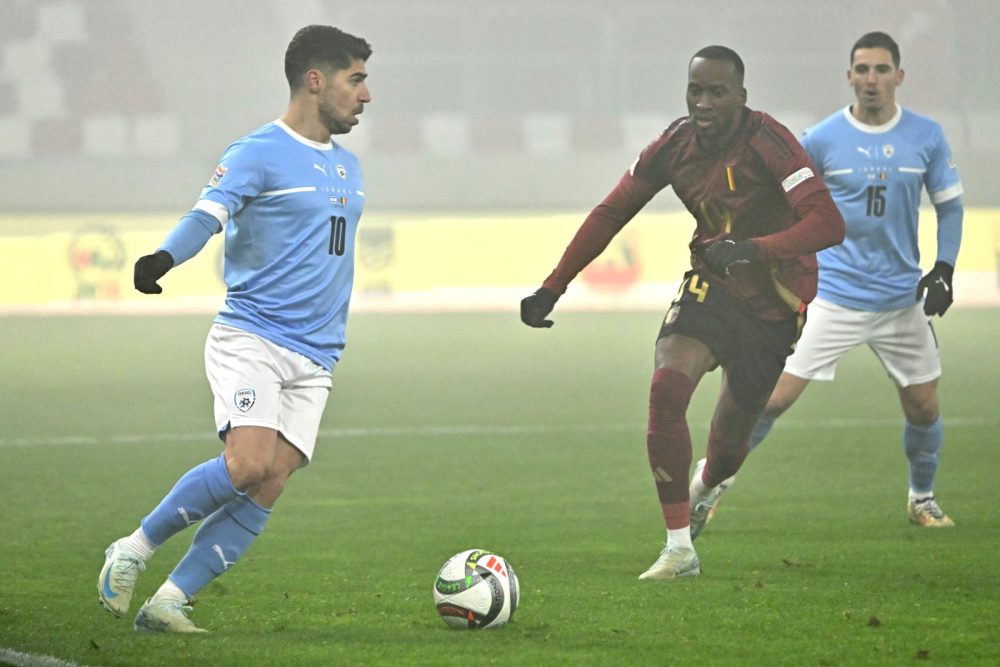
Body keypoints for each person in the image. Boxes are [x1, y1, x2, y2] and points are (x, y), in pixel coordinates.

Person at [520, 46, 845, 579]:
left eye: (717, 92)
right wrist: (553, 287)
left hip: (774, 298)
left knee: (729, 445)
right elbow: (612, 211)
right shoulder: (675, 144)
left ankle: (706, 484)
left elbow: (829, 224)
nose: (705, 102)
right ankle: (678, 549)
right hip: (711, 283)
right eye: (696, 91)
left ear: (741, 97)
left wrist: (753, 249)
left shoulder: (770, 143)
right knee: (666, 388)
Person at [97, 25, 372, 633]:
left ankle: (170, 601)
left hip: (319, 353)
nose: (366, 95)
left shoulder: (349, 167)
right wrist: (163, 258)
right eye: (356, 80)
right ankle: (133, 548)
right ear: (315, 80)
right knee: (246, 463)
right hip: (254, 336)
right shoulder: (256, 151)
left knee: (272, 478)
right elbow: (207, 215)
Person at [690, 32, 964, 535]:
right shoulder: (819, 139)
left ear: (899, 76)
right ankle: (709, 485)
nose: (872, 80)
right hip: (834, 296)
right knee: (770, 399)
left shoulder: (926, 137)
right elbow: (784, 204)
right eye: (862, 69)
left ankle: (921, 498)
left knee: (924, 407)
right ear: (849, 76)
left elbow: (949, 206)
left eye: (882, 69)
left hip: (902, 300)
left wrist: (944, 267)